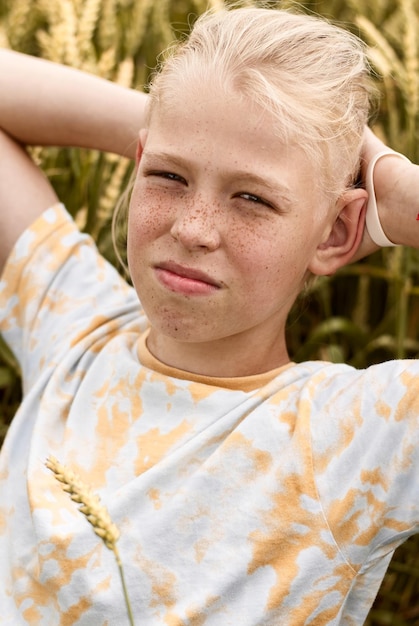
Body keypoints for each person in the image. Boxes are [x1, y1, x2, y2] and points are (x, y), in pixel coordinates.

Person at [0, 6, 418, 625]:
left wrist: (399, 192)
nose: (193, 229)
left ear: (335, 230)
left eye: (252, 197)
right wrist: (186, 116)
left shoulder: (362, 435)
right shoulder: (74, 332)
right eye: (168, 176)